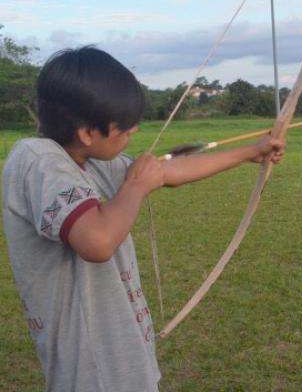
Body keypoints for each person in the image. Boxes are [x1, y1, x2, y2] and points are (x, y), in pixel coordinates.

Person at [2, 46, 285, 392]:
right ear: (88, 132)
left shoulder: (90, 160)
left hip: (122, 358)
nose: (133, 132)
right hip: (91, 371)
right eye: (124, 127)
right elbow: (97, 240)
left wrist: (251, 152)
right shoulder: (38, 159)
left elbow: (167, 172)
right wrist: (136, 186)